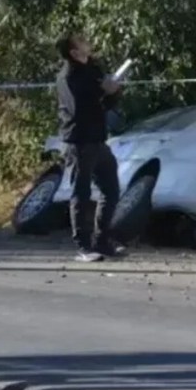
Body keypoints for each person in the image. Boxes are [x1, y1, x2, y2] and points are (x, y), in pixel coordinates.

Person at [55, 32, 127, 262]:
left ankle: (102, 241)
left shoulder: (93, 69)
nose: (87, 43)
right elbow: (78, 109)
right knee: (81, 193)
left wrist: (113, 91)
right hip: (79, 141)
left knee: (111, 189)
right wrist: (101, 91)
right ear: (74, 52)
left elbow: (105, 104)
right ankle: (83, 247)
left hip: (98, 139)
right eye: (81, 42)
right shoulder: (68, 77)